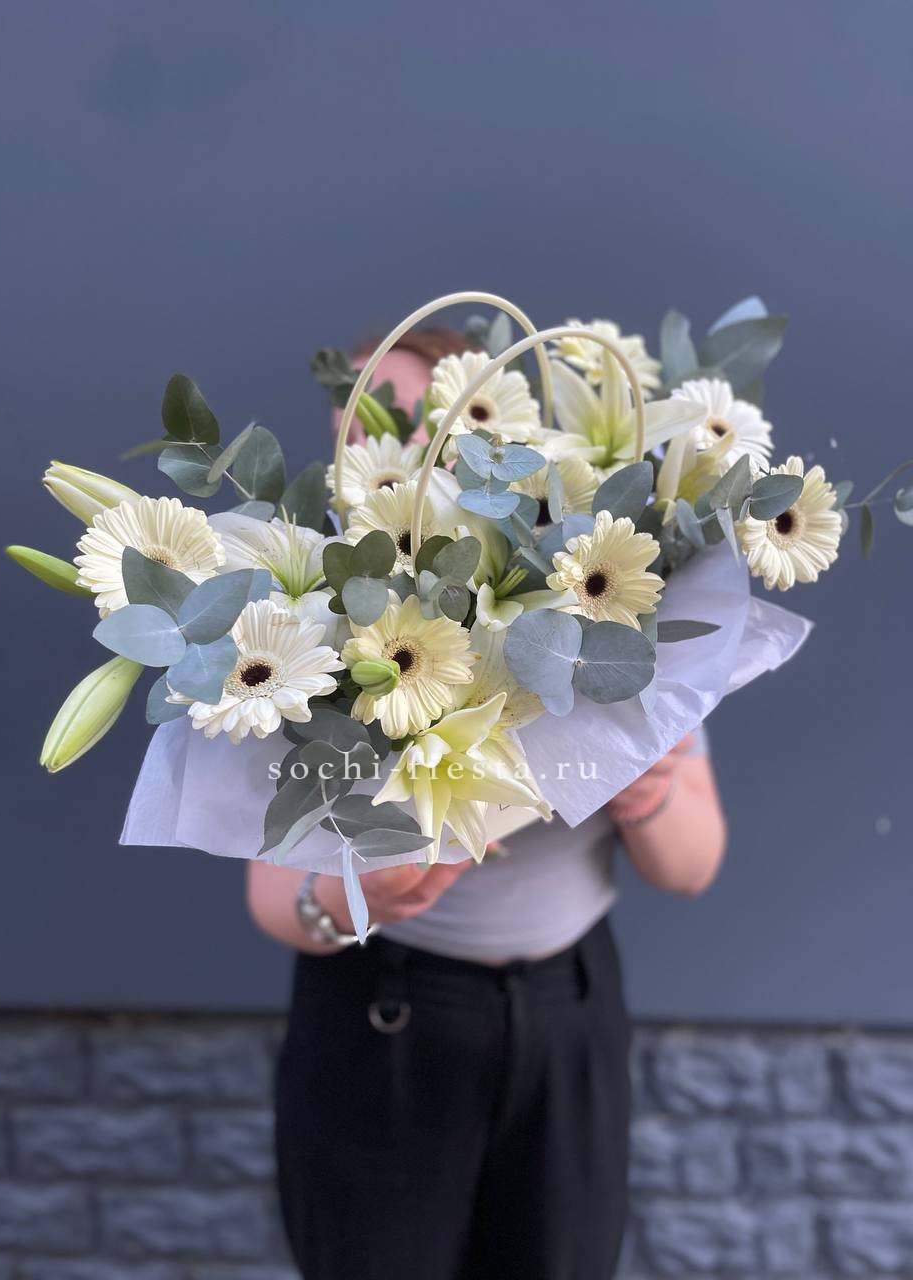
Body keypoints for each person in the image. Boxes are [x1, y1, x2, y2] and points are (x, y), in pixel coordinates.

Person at [247, 329, 727, 1280]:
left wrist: (645, 792)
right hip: (382, 1012)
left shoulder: (601, 601)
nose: (386, 453)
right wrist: (353, 901)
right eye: (359, 433)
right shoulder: (298, 636)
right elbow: (274, 900)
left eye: (413, 423)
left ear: (500, 434)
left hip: (568, 1014)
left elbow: (693, 866)